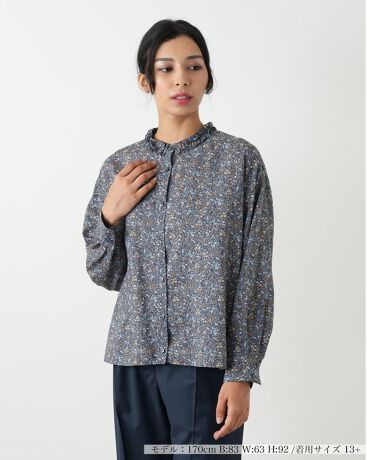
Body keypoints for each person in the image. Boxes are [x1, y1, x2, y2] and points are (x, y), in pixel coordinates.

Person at [82, 19, 275, 460]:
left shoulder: (240, 162)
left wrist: (242, 372)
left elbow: (255, 276)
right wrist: (110, 215)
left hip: (207, 357)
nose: (181, 79)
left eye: (193, 66)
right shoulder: (121, 167)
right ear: (145, 81)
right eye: (166, 69)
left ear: (208, 76)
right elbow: (105, 274)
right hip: (134, 353)